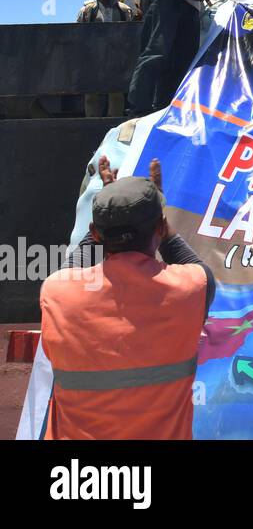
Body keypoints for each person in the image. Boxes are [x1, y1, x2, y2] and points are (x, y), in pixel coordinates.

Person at [39, 158, 213, 440]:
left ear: (95, 232)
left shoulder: (57, 292)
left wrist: (108, 211)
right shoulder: (192, 288)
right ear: (160, 227)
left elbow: (79, 261)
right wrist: (160, 223)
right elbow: (200, 270)